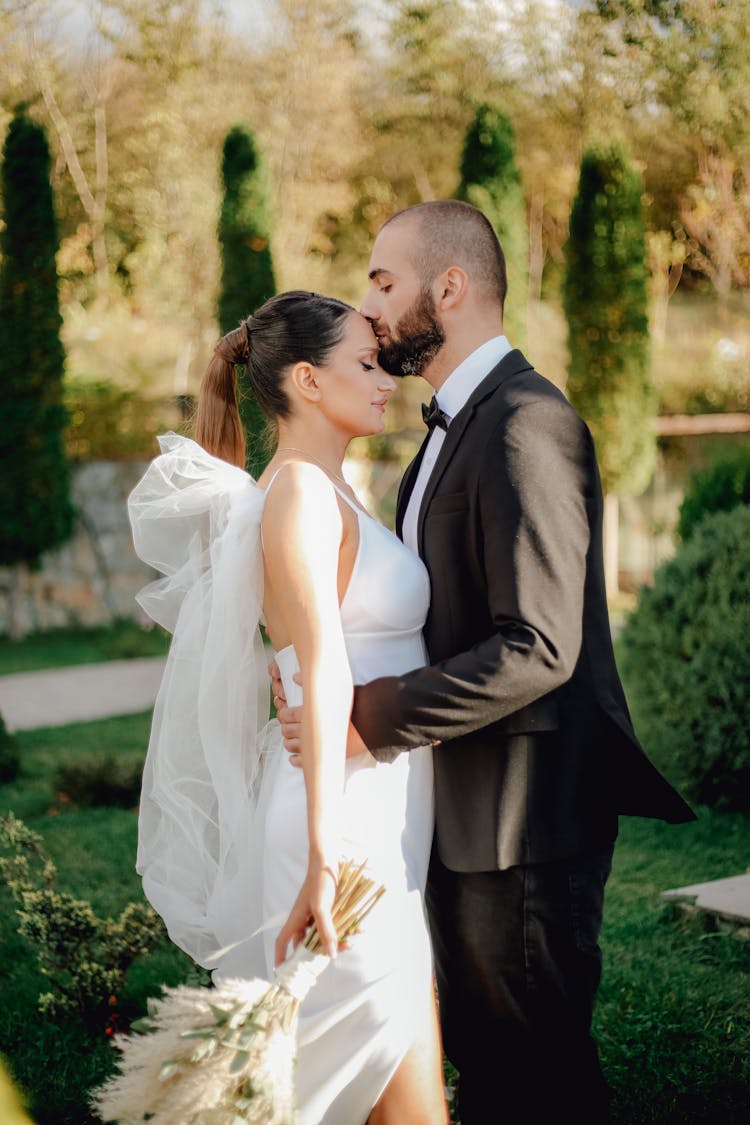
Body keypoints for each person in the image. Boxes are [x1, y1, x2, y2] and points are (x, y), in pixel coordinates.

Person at [275, 202, 696, 1124]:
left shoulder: (523, 423)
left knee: (538, 1074)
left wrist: (366, 717)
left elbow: (539, 644)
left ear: (450, 286)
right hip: (466, 808)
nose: (370, 303)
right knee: (495, 1065)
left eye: (384, 281)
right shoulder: (449, 429)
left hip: (524, 819)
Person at [129, 290, 448, 1125]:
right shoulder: (299, 492)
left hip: (374, 817)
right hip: (338, 829)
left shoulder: (324, 489)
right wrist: (320, 854)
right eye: (366, 364)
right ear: (308, 379)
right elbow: (321, 659)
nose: (386, 380)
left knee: (397, 1093)